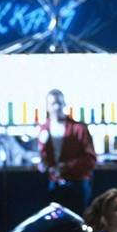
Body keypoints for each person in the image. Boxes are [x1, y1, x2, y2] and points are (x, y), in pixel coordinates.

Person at [38, 89, 97, 217]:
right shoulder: (44, 129)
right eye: (53, 104)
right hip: (54, 185)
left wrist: (68, 166)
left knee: (79, 222)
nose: (56, 107)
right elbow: (43, 157)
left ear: (64, 104)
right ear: (47, 107)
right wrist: (43, 165)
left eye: (59, 103)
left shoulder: (79, 128)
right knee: (55, 225)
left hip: (78, 185)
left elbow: (91, 159)